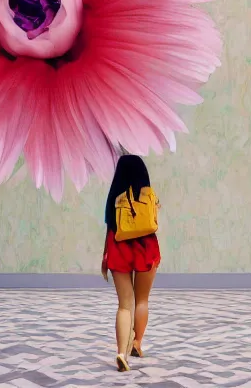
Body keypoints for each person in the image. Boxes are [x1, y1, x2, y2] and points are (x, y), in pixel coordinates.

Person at [101, 154, 161, 372]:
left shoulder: (114, 201)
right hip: (145, 249)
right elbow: (154, 223)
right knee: (142, 300)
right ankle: (136, 344)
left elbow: (110, 230)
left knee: (125, 305)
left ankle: (121, 352)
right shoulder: (148, 197)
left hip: (118, 248)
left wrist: (105, 256)